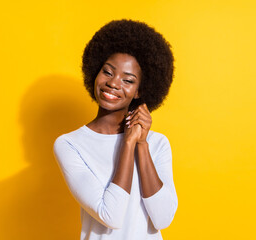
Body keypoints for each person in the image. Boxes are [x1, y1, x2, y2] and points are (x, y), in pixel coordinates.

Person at [53, 19, 178, 240]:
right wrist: (128, 144)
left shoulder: (158, 144)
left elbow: (163, 218)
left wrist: (141, 144)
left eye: (128, 80)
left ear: (139, 91)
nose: (114, 83)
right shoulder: (70, 144)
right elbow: (110, 215)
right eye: (108, 72)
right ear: (95, 72)